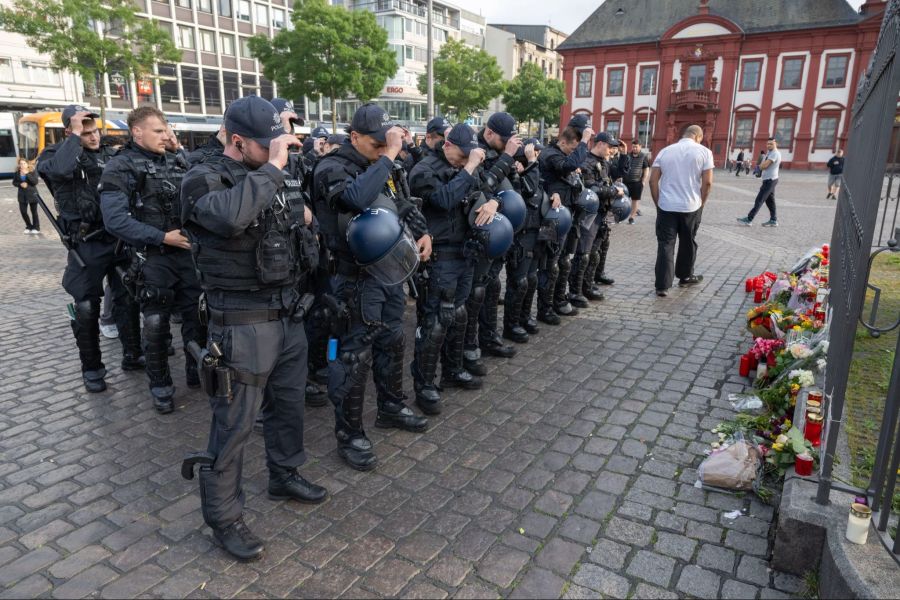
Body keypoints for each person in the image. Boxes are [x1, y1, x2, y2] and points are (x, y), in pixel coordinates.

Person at [179, 96, 327, 561]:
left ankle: (285, 474)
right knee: (235, 424)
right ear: (238, 141)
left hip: (287, 313)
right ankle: (223, 517)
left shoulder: (273, 174)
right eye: (267, 146)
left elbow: (300, 225)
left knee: (288, 406)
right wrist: (273, 170)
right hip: (240, 323)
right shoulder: (203, 178)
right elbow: (228, 217)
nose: (277, 151)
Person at [312, 103, 431, 471]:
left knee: (393, 339)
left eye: (387, 143)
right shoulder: (332, 167)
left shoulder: (382, 167)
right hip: (350, 277)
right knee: (353, 355)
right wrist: (390, 155)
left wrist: (422, 230)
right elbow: (355, 199)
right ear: (354, 138)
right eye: (377, 143)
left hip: (387, 271)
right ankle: (349, 434)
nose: (383, 149)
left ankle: (391, 406)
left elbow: (400, 204)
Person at [100, 106, 206, 415]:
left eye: (167, 129)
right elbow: (115, 220)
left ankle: (195, 371)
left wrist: (180, 152)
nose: (166, 135)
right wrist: (162, 237)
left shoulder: (176, 159)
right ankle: (161, 387)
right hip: (152, 257)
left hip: (186, 255)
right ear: (137, 132)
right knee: (157, 325)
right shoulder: (119, 167)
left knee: (196, 318)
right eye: (159, 131)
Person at [37, 104, 144, 392]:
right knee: (86, 307)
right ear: (69, 132)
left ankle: (133, 354)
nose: (93, 137)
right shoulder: (54, 156)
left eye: (95, 131)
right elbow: (60, 169)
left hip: (118, 239)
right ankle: (92, 368)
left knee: (128, 297)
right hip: (86, 244)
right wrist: (74, 135)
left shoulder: (112, 155)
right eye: (86, 133)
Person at [408, 123, 491, 414]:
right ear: (446, 144)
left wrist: (492, 202)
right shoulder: (423, 170)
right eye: (462, 153)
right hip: (439, 253)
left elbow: (484, 191)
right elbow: (443, 201)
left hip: (465, 249)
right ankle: (425, 384)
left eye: (470, 154)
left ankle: (452, 370)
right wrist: (469, 168)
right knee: (435, 322)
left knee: (458, 313)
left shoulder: (468, 167)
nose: (466, 158)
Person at [464, 112, 522, 372]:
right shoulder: (474, 152)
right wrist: (508, 157)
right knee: (474, 294)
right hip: (479, 235)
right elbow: (485, 185)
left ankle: (489, 337)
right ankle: (470, 345)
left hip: (499, 234)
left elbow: (509, 188)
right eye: (504, 139)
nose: (508, 143)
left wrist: (518, 165)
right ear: (488, 133)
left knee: (492, 288)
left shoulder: (500, 153)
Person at [537, 114, 593, 317]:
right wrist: (584, 142)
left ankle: (559, 301)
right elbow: (567, 165)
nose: (573, 153)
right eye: (572, 148)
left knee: (563, 261)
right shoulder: (550, 154)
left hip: (568, 214)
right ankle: (545, 308)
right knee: (549, 264)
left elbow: (576, 166)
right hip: (552, 218)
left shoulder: (563, 153)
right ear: (563, 141)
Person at [649, 124, 714, 297]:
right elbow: (707, 183)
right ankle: (685, 276)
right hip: (691, 205)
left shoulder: (665, 151)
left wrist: (658, 203)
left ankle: (662, 286)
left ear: (683, 134)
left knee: (665, 245)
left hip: (666, 206)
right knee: (688, 242)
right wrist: (702, 203)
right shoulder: (704, 152)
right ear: (698, 136)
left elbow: (652, 181)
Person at [503, 138, 543, 342]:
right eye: (533, 153)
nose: (537, 156)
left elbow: (539, 190)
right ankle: (511, 324)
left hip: (535, 232)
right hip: (521, 234)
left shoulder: (534, 173)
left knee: (531, 279)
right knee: (519, 282)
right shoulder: (516, 175)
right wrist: (528, 166)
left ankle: (524, 317)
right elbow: (528, 190)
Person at [580, 132, 624, 298]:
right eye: (610, 145)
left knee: (596, 251)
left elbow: (619, 173)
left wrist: (624, 155)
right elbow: (592, 188)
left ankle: (589, 284)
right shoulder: (587, 162)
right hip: (591, 214)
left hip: (602, 212)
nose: (612, 149)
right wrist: (614, 191)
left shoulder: (604, 163)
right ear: (600, 144)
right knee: (586, 253)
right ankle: (582, 288)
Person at [737, 138, 781, 227]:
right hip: (768, 180)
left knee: (759, 199)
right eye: (768, 144)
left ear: (776, 144)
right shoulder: (770, 152)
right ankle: (773, 220)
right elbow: (763, 163)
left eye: (771, 144)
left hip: (770, 180)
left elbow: (765, 165)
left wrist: (758, 168)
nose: (769, 145)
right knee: (770, 202)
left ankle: (749, 219)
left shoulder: (775, 153)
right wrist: (760, 167)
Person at [623, 139, 650, 224]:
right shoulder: (628, 155)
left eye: (636, 147)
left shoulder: (643, 156)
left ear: (640, 147)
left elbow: (646, 169)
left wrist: (643, 180)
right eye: (633, 146)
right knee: (625, 199)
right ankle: (622, 215)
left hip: (637, 182)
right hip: (626, 182)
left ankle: (632, 217)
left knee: (635, 200)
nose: (634, 148)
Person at [13, 159, 40, 234]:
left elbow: (35, 182)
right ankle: (29, 226)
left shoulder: (32, 171)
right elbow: (14, 182)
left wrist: (27, 174)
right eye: (21, 164)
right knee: (23, 212)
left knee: (34, 212)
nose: (22, 165)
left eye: (24, 163)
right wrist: (20, 184)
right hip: (22, 196)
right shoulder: (17, 173)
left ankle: (36, 227)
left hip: (32, 195)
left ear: (27, 164)